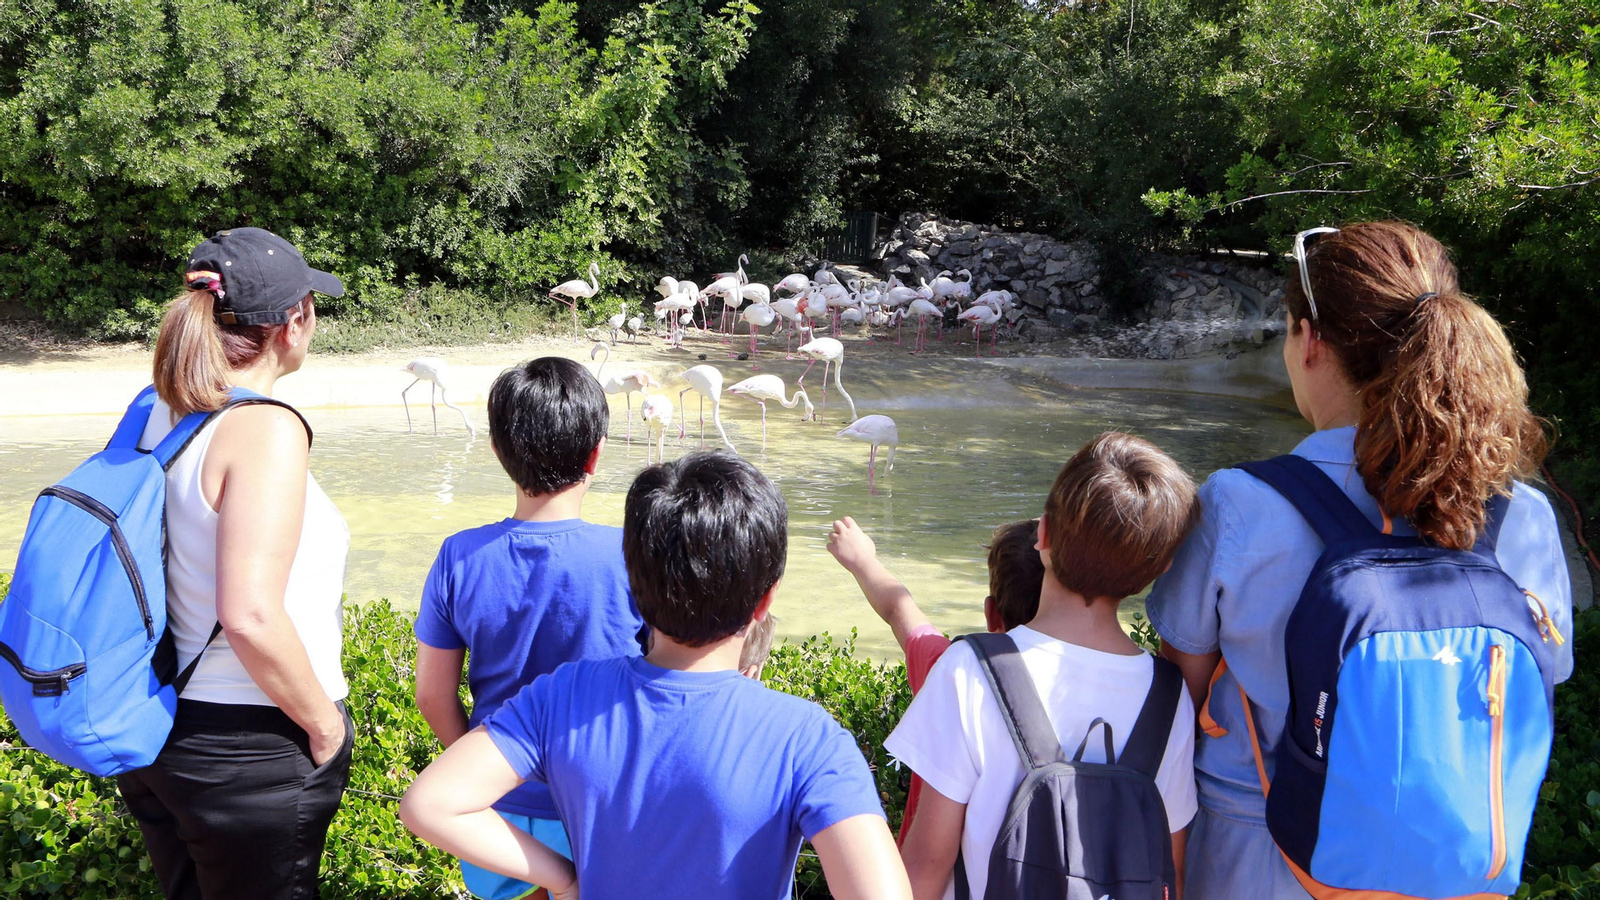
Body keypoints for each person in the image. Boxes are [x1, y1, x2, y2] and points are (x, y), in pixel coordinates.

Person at [1146, 221, 1575, 900]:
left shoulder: (1238, 503)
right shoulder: (1520, 513)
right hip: (1456, 867)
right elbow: (1538, 688)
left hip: (1261, 859)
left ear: (1309, 340)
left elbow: (1175, 699)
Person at [400, 452, 912, 900]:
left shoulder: (562, 697)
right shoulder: (808, 741)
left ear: (635, 580)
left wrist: (563, 879)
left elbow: (430, 804)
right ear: (765, 600)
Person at [116, 227, 353, 900]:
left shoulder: (155, 410)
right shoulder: (265, 426)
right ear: (295, 320)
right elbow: (248, 613)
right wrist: (325, 725)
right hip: (249, 747)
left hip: (163, 729)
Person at [887, 432, 1201, 900]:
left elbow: (925, 865)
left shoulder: (970, 669)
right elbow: (1169, 870)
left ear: (1044, 534)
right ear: (1155, 571)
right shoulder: (1169, 696)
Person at [412, 356, 642, 900]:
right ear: (597, 452)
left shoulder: (458, 556)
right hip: (603, 808)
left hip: (498, 821)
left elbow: (431, 693)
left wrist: (483, 769)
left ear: (497, 451)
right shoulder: (633, 556)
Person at [827, 516, 1045, 842]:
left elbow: (898, 610)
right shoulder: (1093, 692)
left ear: (991, 613)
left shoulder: (953, 673)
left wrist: (862, 560)